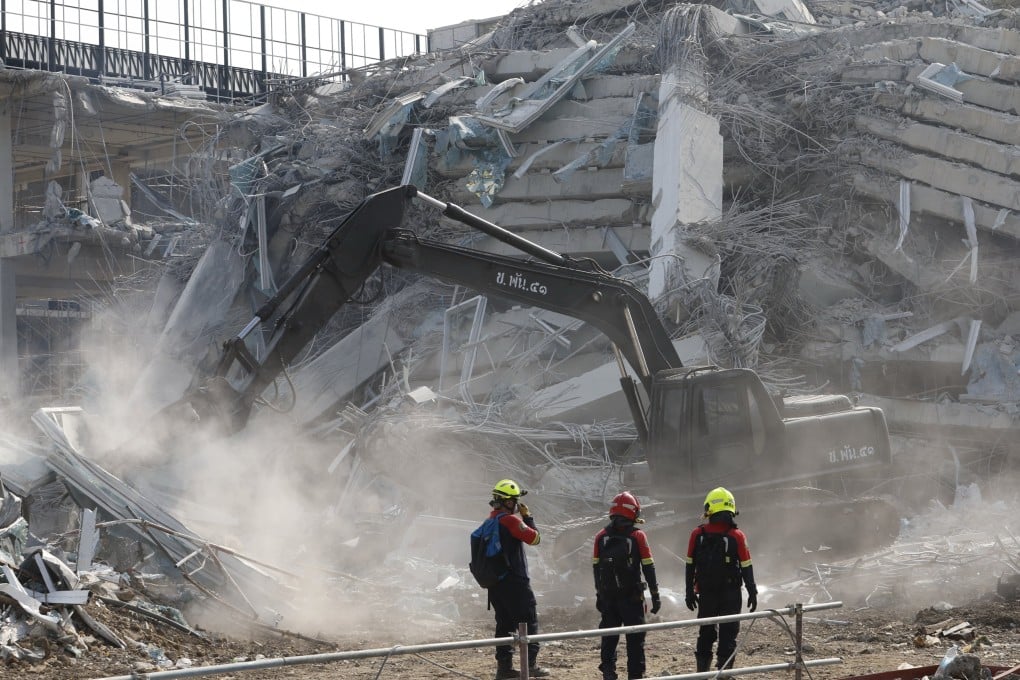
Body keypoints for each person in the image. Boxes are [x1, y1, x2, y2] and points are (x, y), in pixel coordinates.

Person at [685, 487, 758, 673]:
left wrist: (689, 591)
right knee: (729, 634)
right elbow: (746, 566)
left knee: (705, 633)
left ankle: (702, 674)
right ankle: (724, 674)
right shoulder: (737, 535)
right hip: (730, 594)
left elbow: (690, 565)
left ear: (709, 508)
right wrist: (752, 591)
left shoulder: (697, 534)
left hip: (706, 593)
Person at [485, 479, 551, 679]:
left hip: (495, 585)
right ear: (508, 501)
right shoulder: (510, 521)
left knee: (504, 625)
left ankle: (504, 668)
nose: (516, 504)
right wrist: (527, 517)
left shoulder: (489, 521)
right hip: (515, 583)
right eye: (515, 501)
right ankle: (530, 665)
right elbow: (535, 538)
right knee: (528, 621)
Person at [593, 491, 661, 680]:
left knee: (609, 637)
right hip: (632, 598)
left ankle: (608, 672)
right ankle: (636, 675)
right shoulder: (638, 536)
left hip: (608, 598)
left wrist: (599, 594)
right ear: (633, 512)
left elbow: (596, 569)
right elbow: (648, 567)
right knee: (635, 639)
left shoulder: (600, 536)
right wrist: (655, 594)